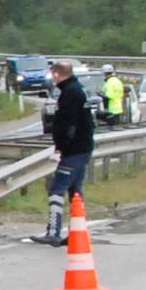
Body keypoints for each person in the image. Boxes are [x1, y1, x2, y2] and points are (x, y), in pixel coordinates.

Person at [39, 57, 96, 244]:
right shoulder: (78, 90)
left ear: (57, 74)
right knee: (76, 192)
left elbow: (69, 124)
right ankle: (76, 232)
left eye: (53, 75)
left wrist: (62, 147)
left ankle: (53, 232)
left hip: (74, 151)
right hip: (83, 148)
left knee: (57, 189)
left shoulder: (70, 93)